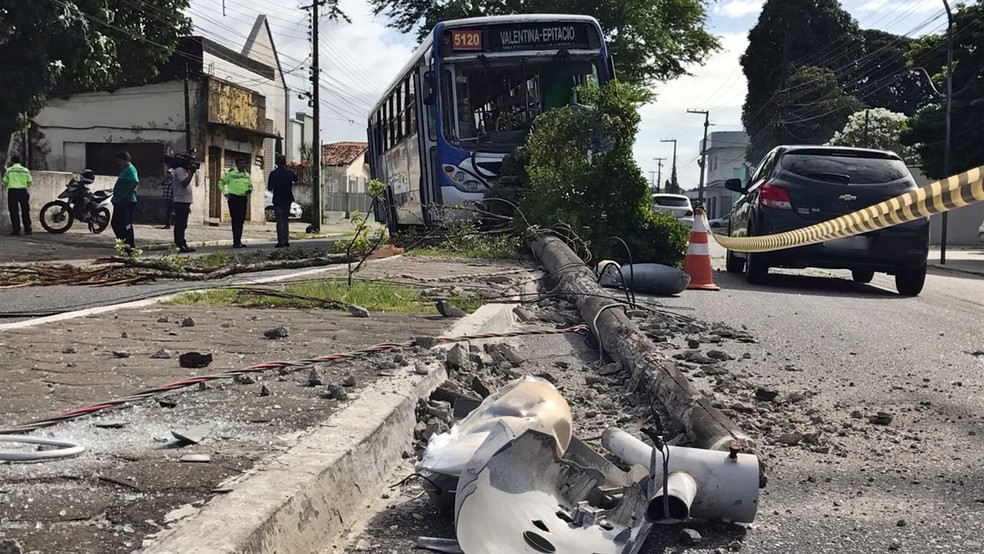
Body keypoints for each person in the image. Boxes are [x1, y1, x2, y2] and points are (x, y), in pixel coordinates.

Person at [218, 157, 252, 248]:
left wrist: (250, 190)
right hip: (234, 198)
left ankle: (239, 240)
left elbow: (250, 186)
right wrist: (226, 194)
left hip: (243, 198)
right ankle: (236, 241)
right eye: (240, 163)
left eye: (243, 163)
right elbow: (221, 183)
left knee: (241, 220)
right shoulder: (231, 174)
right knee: (235, 220)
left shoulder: (247, 175)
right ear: (237, 164)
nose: (242, 165)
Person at [267, 154, 297, 248]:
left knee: (279, 221)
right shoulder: (290, 173)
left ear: (276, 162)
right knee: (286, 220)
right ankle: (286, 240)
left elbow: (269, 187)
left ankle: (280, 241)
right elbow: (296, 179)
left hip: (278, 199)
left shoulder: (273, 173)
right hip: (287, 198)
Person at [111, 151, 139, 248]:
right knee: (116, 223)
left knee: (125, 224)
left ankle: (129, 245)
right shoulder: (125, 170)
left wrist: (124, 195)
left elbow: (134, 182)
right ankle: (123, 243)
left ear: (126, 160)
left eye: (120, 161)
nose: (119, 163)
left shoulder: (131, 170)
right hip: (120, 202)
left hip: (126, 201)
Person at [170, 162, 197, 253]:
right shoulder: (180, 170)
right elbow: (184, 183)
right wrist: (192, 174)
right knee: (180, 224)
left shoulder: (184, 171)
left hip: (184, 201)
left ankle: (182, 243)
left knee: (183, 224)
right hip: (181, 201)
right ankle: (179, 244)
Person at [3, 155, 32, 236]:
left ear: (12, 161)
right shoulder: (25, 170)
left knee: (14, 211)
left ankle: (16, 230)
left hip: (13, 192)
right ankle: (28, 229)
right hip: (23, 191)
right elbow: (29, 182)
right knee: (25, 211)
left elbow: (4, 182)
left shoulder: (9, 170)